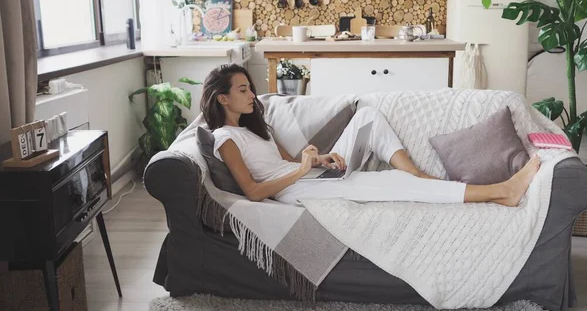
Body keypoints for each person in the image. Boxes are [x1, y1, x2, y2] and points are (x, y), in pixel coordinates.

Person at [200, 64, 540, 207]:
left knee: (368, 115)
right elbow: (255, 192)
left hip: (304, 176)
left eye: (250, 88)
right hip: (295, 191)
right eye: (243, 90)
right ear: (223, 98)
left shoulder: (255, 127)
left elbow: (285, 162)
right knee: (395, 186)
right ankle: (502, 191)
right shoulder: (225, 139)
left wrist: (317, 160)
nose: (251, 95)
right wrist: (302, 171)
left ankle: (419, 174)